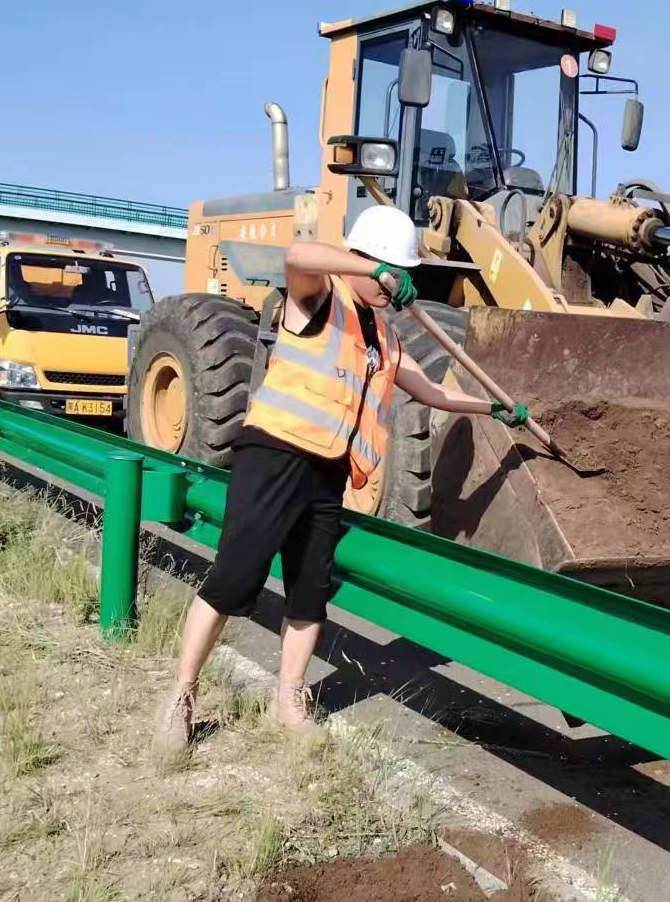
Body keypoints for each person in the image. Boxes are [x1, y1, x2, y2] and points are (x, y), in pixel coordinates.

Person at [153, 205, 528, 756]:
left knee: (310, 597)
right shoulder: (317, 298)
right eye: (389, 269)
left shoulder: (384, 337)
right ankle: (181, 698)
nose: (397, 283)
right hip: (274, 456)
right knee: (233, 580)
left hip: (327, 473)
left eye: (403, 272)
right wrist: (370, 272)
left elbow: (433, 393)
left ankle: (288, 702)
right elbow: (297, 255)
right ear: (361, 261)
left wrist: (493, 407)